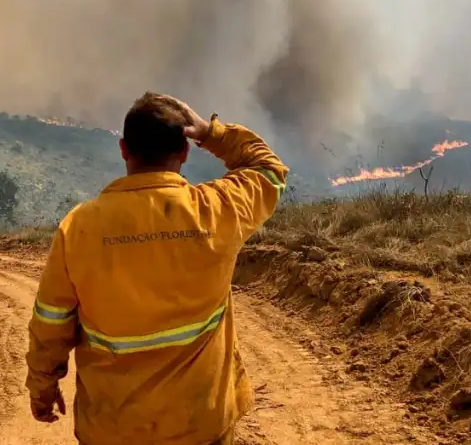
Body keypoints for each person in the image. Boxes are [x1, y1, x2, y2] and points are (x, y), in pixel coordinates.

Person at [25, 92, 289, 445]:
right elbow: (269, 170)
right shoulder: (217, 211)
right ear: (184, 152)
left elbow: (51, 323)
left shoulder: (79, 227)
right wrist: (212, 133)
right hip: (200, 423)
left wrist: (42, 386)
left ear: (123, 150)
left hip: (113, 428)